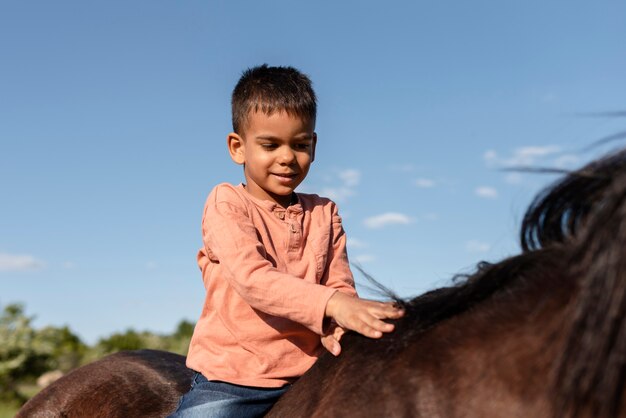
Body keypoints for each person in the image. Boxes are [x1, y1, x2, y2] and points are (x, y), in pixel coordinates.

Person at [169, 64, 404, 417]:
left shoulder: (325, 212)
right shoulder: (226, 202)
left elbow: (339, 283)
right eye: (270, 144)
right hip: (235, 377)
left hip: (312, 372)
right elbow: (254, 279)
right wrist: (334, 305)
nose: (287, 158)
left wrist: (343, 324)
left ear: (314, 144)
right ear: (238, 147)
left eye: (300, 144)